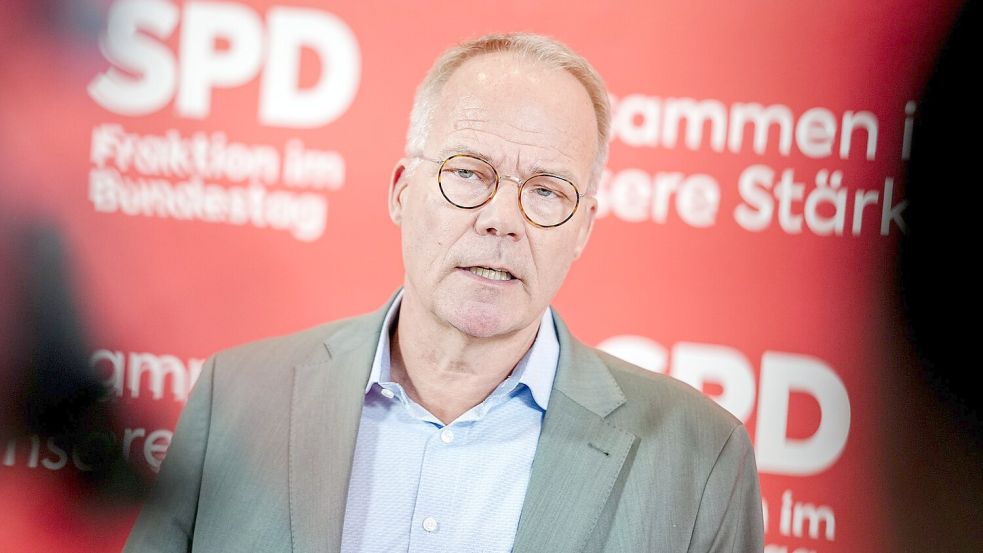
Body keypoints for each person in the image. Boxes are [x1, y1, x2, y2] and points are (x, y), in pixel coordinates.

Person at [123, 32, 764, 553]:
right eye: (468, 173)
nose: (502, 219)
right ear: (402, 192)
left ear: (583, 230)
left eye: (547, 191)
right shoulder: (239, 397)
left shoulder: (699, 458)